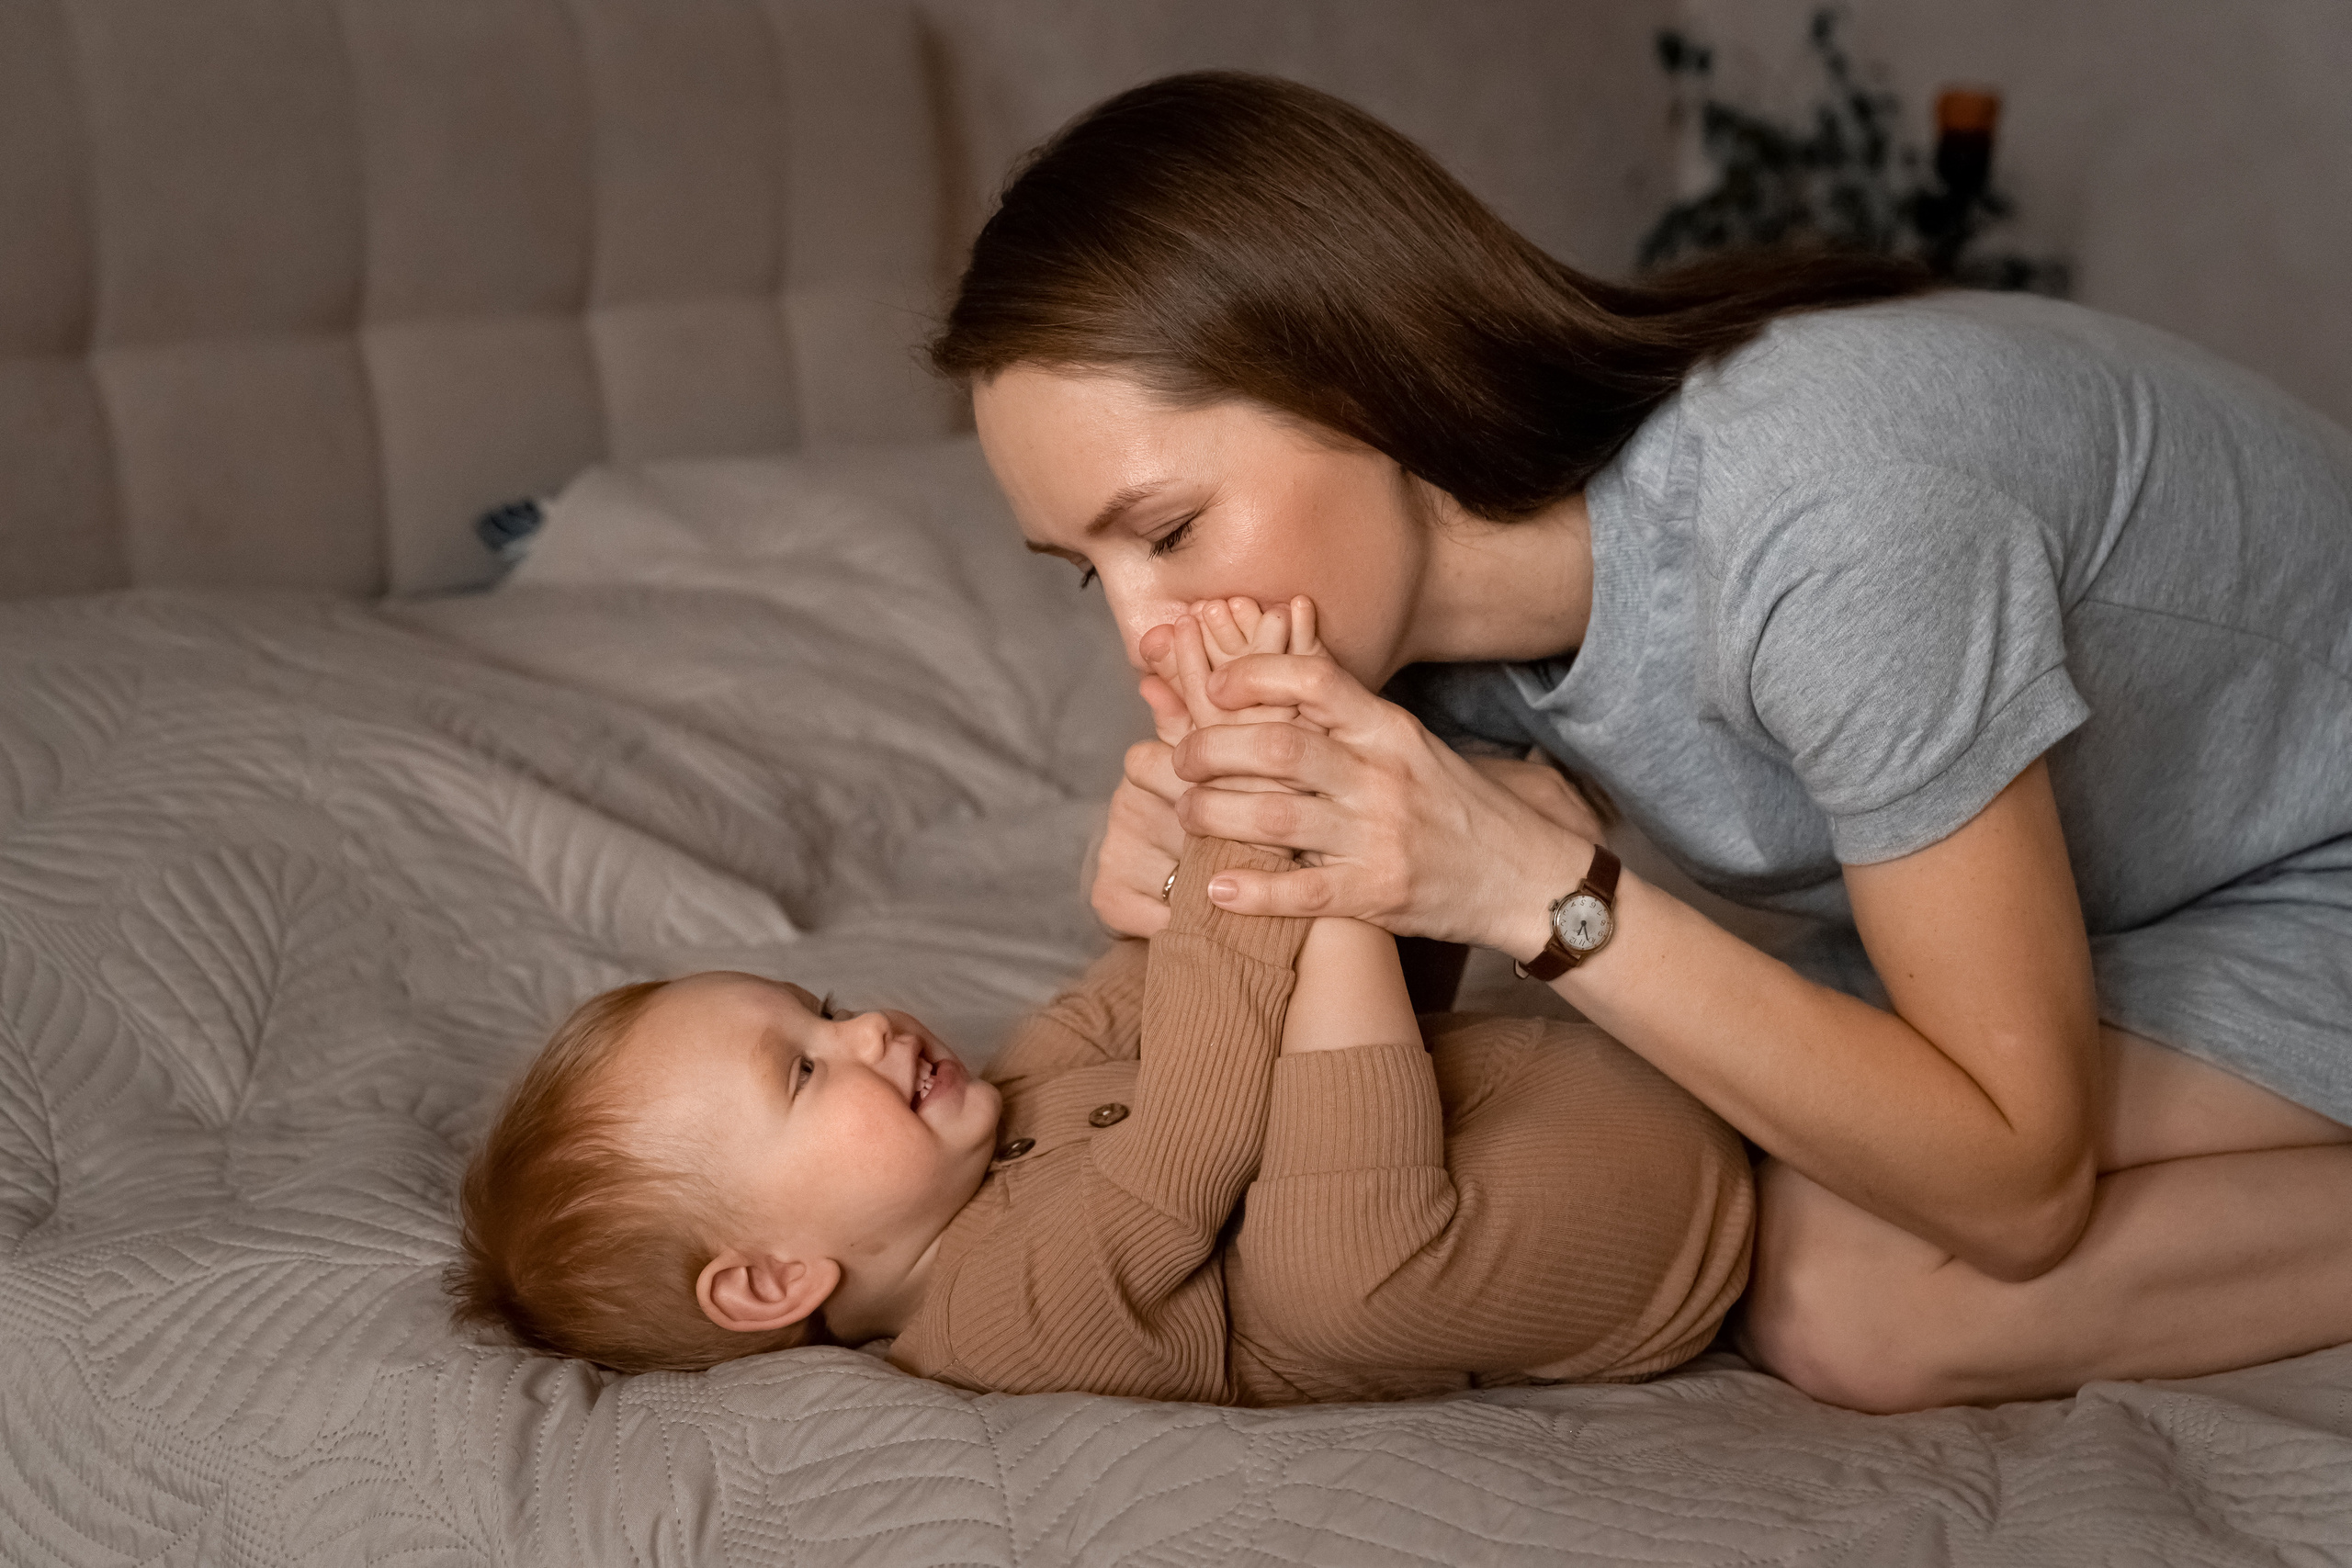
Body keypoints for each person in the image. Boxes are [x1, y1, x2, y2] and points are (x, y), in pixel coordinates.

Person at [937, 70, 2352, 1414]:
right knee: (1757, 1176)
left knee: (1856, 1296)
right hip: (2161, 878)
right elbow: (1396, 1052)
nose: (1144, 635)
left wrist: (1540, 894)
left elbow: (2020, 1192)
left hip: (2319, 854)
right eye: (1086, 571)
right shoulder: (1406, 636)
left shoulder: (1832, 528)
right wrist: (1249, 879)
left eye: (1170, 533)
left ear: (1366, 387)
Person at [447, 604, 1753, 1399]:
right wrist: (1261, 839)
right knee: (1320, 1268)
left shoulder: (1015, 1096)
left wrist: (1209, 779)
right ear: (773, 1279)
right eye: (803, 1071)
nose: (867, 1031)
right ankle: (1351, 839)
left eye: (824, 1005)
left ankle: (1389, 808)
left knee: (1238, 957)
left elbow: (1155, 973)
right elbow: (1193, 1125)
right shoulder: (998, 1321)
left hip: (1623, 1103)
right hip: (1618, 1241)